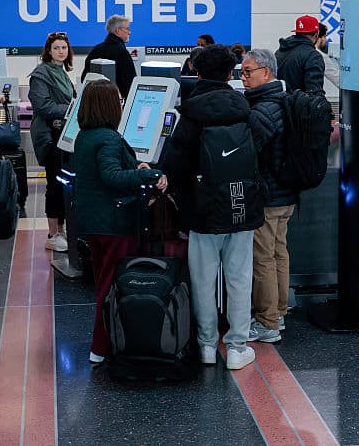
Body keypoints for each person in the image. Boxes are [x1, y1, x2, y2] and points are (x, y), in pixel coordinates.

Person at [162, 44, 262, 371]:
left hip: (202, 209)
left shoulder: (191, 114)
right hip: (241, 203)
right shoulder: (245, 107)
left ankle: (206, 346)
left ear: (197, 71)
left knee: (203, 279)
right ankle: (236, 347)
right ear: (230, 73)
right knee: (239, 277)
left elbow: (175, 163)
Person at [73, 80, 166, 364]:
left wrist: (133, 167)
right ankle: (101, 347)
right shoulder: (109, 138)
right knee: (110, 285)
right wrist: (150, 175)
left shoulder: (85, 136)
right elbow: (111, 177)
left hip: (94, 220)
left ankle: (105, 343)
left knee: (103, 278)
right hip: (114, 222)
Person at [240, 49, 297, 344]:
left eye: (248, 72)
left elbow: (250, 150)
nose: (243, 78)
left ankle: (266, 322)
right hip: (286, 193)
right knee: (278, 253)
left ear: (267, 72)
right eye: (242, 72)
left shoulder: (263, 108)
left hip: (268, 195)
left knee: (263, 258)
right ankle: (279, 313)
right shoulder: (282, 101)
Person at [29, 31, 77, 253]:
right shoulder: (41, 74)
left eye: (64, 48)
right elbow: (43, 106)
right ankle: (52, 234)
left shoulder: (62, 72)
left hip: (63, 137)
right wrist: (71, 110)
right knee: (54, 185)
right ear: (48, 50)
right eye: (57, 48)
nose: (61, 51)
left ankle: (61, 231)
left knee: (64, 185)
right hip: (49, 137)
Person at [82, 15, 136, 99]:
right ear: (118, 30)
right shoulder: (122, 53)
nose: (129, 32)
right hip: (116, 104)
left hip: (93, 102)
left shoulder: (96, 50)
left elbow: (85, 78)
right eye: (127, 29)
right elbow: (130, 84)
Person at [275, 15, 325, 97]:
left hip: (277, 105)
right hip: (299, 107)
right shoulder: (313, 55)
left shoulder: (279, 51)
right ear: (316, 34)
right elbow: (314, 92)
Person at [315, 24, 341, 89]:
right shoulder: (320, 56)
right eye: (325, 36)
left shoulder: (294, 49)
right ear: (321, 37)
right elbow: (338, 80)